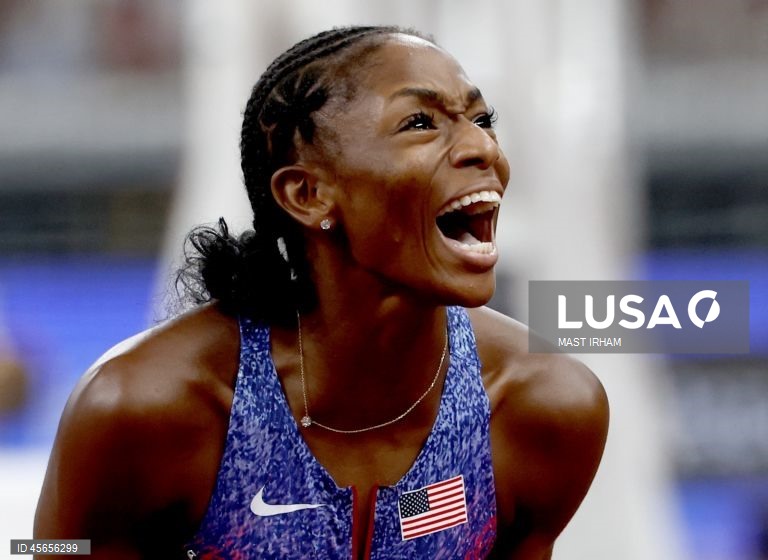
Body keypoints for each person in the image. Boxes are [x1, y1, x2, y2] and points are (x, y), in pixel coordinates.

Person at [34, 25, 609, 559]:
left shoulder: (543, 406)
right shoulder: (143, 405)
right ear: (307, 194)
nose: (484, 149)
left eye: (482, 120)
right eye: (420, 123)